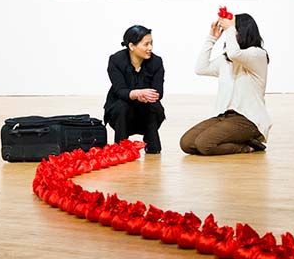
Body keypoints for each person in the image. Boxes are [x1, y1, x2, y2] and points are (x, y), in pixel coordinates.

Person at [180, 13, 271, 156]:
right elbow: (200, 68)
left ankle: (246, 147)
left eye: (233, 26)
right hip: (224, 116)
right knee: (186, 143)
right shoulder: (226, 60)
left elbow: (236, 54)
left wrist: (229, 30)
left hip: (248, 120)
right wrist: (212, 39)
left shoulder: (257, 54)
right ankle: (244, 141)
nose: (230, 29)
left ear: (243, 29)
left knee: (205, 145)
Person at [104, 24, 165, 154]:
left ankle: (152, 145)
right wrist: (137, 93)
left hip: (145, 110)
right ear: (131, 46)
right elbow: (119, 90)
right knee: (121, 106)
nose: (150, 48)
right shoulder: (116, 60)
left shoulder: (156, 62)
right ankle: (121, 148)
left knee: (153, 107)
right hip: (122, 112)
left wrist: (149, 96)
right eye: (146, 44)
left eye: (151, 43)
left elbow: (159, 91)